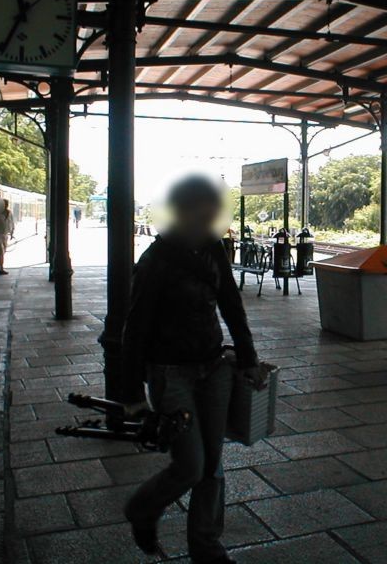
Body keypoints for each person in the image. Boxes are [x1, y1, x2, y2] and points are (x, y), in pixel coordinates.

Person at [122, 176, 261, 564]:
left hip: (214, 366)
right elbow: (135, 328)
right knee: (190, 465)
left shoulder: (214, 250)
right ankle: (141, 507)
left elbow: (231, 305)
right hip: (171, 374)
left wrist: (247, 360)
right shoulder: (155, 260)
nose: (211, 216)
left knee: (212, 465)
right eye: (204, 209)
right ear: (184, 210)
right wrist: (132, 392)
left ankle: (207, 548)